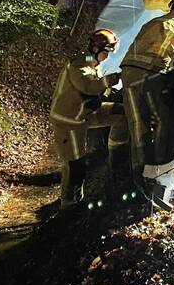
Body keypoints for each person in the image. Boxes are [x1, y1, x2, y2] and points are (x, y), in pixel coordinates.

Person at [119, 0, 174, 188]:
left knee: (137, 124)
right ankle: (158, 168)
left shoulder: (153, 22)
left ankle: (137, 175)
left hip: (128, 72)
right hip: (152, 74)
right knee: (165, 119)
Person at [49, 29, 126, 209]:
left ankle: (117, 160)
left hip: (86, 114)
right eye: (107, 51)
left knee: (122, 114)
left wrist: (110, 92)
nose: (108, 56)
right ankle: (69, 205)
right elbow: (88, 86)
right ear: (96, 48)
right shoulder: (78, 65)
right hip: (69, 120)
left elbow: (94, 78)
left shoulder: (90, 60)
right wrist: (114, 78)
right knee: (75, 165)